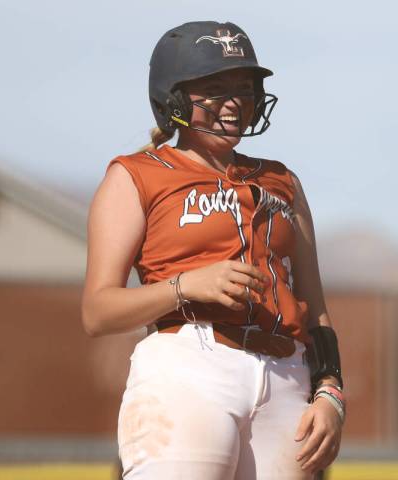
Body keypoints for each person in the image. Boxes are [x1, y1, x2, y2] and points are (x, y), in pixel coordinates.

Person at [82, 21, 345, 479]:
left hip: (287, 375)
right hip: (190, 366)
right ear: (174, 97)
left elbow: (315, 310)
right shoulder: (137, 174)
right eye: (215, 88)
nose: (234, 103)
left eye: (244, 88)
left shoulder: (283, 181)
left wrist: (330, 394)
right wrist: (184, 287)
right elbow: (97, 311)